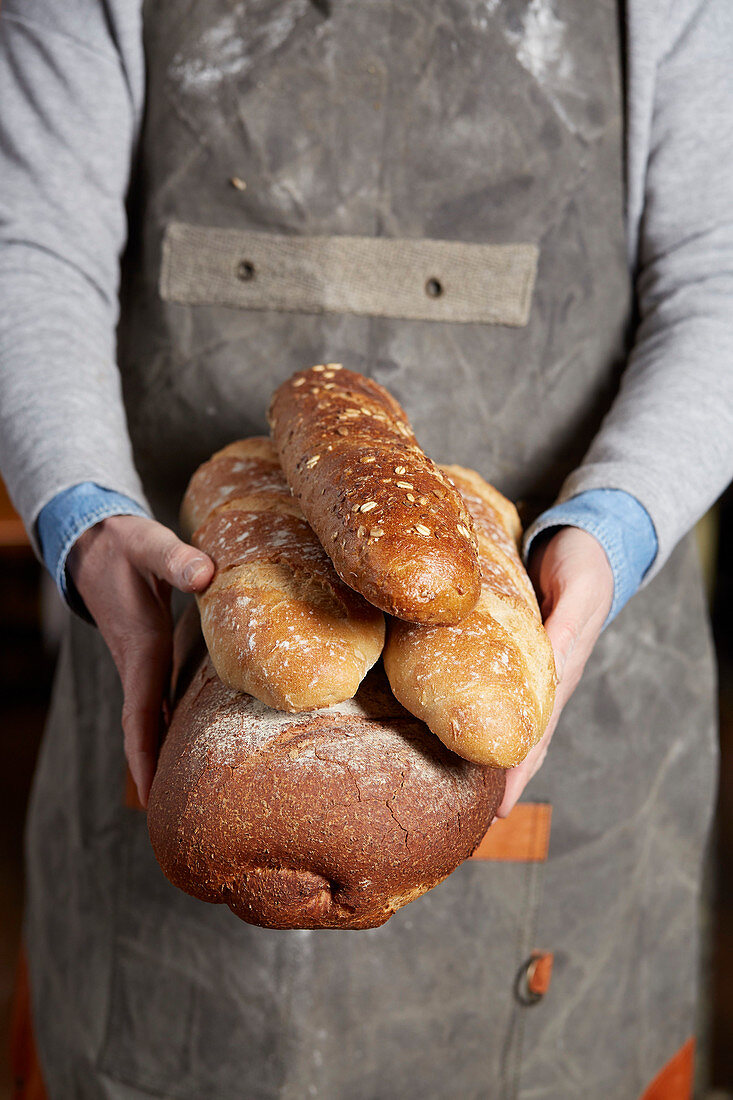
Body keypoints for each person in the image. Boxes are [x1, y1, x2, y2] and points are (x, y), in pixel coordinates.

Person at [1, 0, 732, 1095]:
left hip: (569, 663)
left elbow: (719, 275)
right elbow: (28, 245)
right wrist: (86, 518)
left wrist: (609, 533)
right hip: (173, 630)